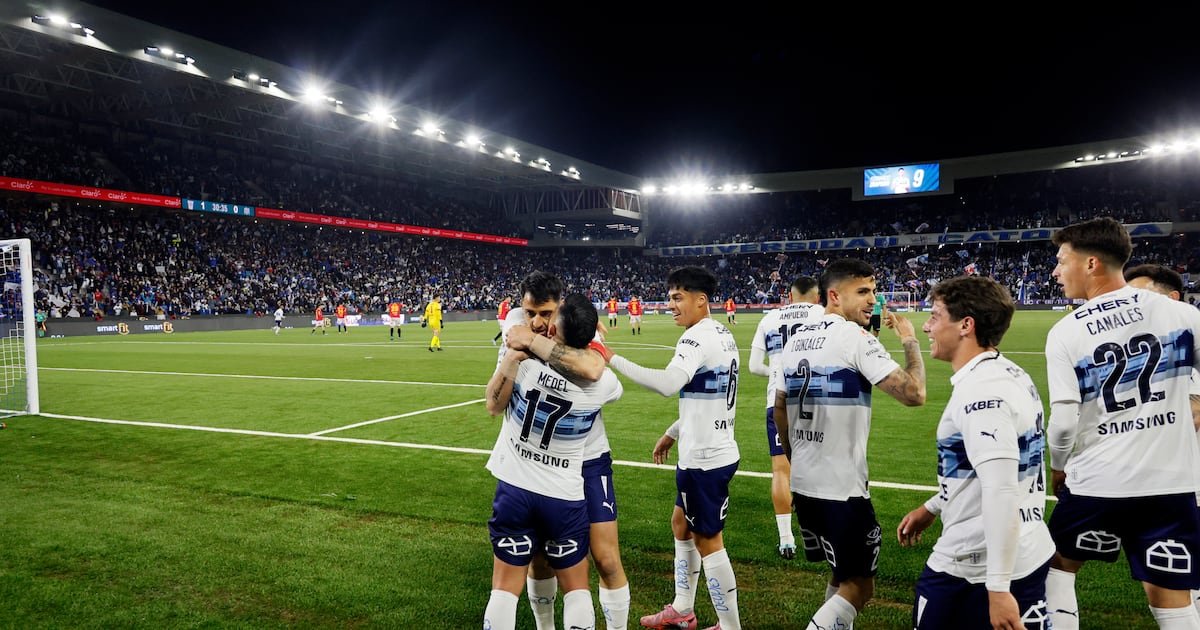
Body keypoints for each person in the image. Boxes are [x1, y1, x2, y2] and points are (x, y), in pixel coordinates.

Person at [1043, 217, 1200, 629]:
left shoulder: (1066, 332)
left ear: (1091, 263)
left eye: (1061, 261)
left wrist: (1058, 465)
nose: (1055, 271)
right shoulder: (1182, 313)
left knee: (1056, 568)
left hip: (1099, 480)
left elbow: (1062, 423)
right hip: (1172, 483)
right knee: (1171, 597)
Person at [773, 258, 926, 629]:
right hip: (842, 488)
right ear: (834, 295)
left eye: (873, 290)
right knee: (860, 587)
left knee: (839, 575)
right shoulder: (853, 338)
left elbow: (779, 408)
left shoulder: (794, 342)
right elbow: (914, 393)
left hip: (805, 483)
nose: (872, 300)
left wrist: (796, 455)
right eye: (863, 292)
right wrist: (909, 340)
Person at [896, 276, 1054, 629]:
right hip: (1025, 546)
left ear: (966, 325)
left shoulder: (981, 394)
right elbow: (995, 470)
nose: (926, 327)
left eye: (935, 316)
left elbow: (1001, 488)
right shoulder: (1008, 372)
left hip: (974, 563)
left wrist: (997, 588)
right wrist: (935, 505)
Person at [603, 266, 742, 630]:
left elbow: (668, 384)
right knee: (681, 524)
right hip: (713, 447)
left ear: (701, 300)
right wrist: (673, 431)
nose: (671, 305)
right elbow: (707, 397)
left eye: (678, 298)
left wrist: (610, 357)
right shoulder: (723, 334)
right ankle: (683, 607)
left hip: (705, 459)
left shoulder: (695, 338)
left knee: (708, 540)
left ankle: (730, 627)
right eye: (670, 298)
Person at [482, 293, 624, 630]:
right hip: (564, 494)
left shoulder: (526, 366)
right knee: (576, 590)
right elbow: (593, 368)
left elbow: (492, 402)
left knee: (503, 591)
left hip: (514, 490)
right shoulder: (605, 385)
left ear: (555, 331)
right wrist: (593, 343)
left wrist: (522, 342)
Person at [1124, 263, 1200, 615]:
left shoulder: (1185, 350)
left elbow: (1192, 415)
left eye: (1140, 296)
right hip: (1169, 483)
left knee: (1178, 588)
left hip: (1183, 487)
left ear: (1172, 298)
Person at [747, 275, 821, 559]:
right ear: (816, 296)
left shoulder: (770, 319)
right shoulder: (823, 314)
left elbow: (754, 366)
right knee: (819, 465)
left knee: (781, 469)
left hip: (778, 401)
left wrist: (776, 372)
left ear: (789, 296)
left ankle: (787, 540)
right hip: (817, 399)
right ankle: (819, 535)